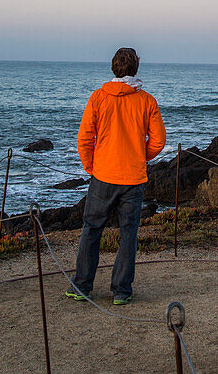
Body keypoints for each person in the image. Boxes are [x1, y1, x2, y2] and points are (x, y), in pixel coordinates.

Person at [67, 47, 166, 305]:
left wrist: (91, 166)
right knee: (128, 234)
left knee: (91, 230)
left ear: (114, 67)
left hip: (103, 175)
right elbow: (159, 140)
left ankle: (82, 286)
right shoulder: (146, 100)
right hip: (132, 178)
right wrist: (141, 156)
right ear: (136, 68)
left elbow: (85, 137)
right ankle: (121, 290)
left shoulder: (99, 97)